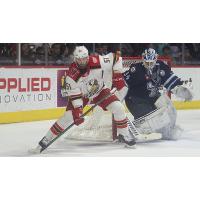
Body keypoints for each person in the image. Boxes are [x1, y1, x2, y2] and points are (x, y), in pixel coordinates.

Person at [32, 46, 136, 153]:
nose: (81, 61)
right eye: (79, 59)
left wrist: (117, 74)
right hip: (82, 96)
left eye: (84, 58)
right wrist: (78, 110)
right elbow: (75, 95)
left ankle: (124, 134)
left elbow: (117, 57)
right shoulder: (71, 76)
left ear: (88, 57)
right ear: (75, 59)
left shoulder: (97, 60)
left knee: (118, 108)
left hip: (100, 91)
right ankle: (46, 139)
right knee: (67, 117)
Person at [123, 48, 193, 140]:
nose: (149, 65)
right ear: (143, 59)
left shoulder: (161, 66)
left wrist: (180, 88)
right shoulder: (136, 69)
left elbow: (171, 80)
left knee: (169, 107)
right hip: (136, 100)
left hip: (152, 98)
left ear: (155, 59)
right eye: (147, 62)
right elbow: (122, 82)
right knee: (154, 120)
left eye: (151, 62)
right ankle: (128, 133)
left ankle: (168, 131)